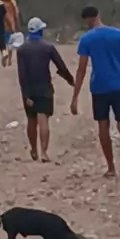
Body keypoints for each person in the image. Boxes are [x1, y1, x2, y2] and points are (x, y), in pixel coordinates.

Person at [70, 5, 120, 179]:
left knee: (103, 125)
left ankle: (111, 167)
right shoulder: (118, 35)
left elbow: (81, 69)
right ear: (99, 14)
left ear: (87, 20)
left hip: (99, 87)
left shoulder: (86, 39)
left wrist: (75, 96)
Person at [17, 16, 74, 162]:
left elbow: (22, 74)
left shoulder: (22, 49)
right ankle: (44, 152)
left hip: (29, 89)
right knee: (43, 120)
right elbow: (61, 66)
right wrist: (70, 80)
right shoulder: (48, 48)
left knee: (31, 120)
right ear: (40, 31)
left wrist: (25, 94)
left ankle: (33, 149)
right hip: (45, 88)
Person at [0, 0, 20, 66]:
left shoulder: (0, 5)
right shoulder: (13, 4)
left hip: (2, 26)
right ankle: (10, 60)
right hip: (11, 26)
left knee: (3, 43)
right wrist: (17, 25)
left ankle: (4, 54)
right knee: (10, 43)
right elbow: (16, 15)